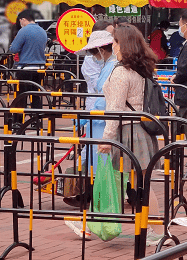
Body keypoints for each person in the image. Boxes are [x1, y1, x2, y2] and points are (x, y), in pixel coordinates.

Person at [67, 23, 161, 244]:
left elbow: (115, 109)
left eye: (115, 42)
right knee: (140, 182)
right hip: (140, 130)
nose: (113, 45)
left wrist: (107, 138)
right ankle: (152, 229)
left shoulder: (121, 71)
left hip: (126, 131)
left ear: (122, 44)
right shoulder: (140, 67)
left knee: (131, 182)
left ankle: (151, 231)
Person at [65, 28, 117, 208]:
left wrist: (87, 116)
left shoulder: (111, 66)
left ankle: (100, 203)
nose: (94, 56)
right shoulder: (109, 65)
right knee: (98, 166)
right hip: (97, 121)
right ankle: (96, 199)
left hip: (101, 123)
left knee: (101, 166)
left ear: (102, 50)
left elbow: (104, 97)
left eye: (95, 52)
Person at [8, 9, 48, 115]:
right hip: (39, 68)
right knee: (35, 95)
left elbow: (14, 49)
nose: (20, 24)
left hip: (25, 68)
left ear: (23, 19)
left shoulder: (24, 31)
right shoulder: (42, 31)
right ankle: (36, 119)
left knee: (21, 96)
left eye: (20, 21)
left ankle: (18, 121)